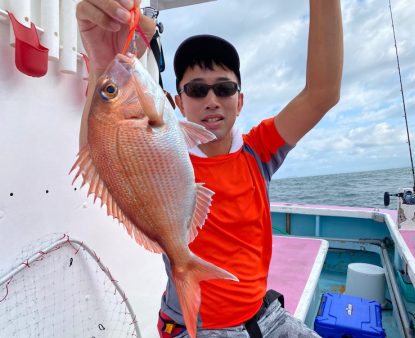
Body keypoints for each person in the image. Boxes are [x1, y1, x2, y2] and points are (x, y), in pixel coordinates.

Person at [76, 0, 343, 337]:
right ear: (178, 103)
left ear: (240, 100)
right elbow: (103, 150)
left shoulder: (258, 150)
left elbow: (322, 93)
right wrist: (102, 67)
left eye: (225, 88)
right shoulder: (167, 155)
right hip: (195, 327)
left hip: (266, 317)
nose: (212, 99)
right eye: (197, 90)